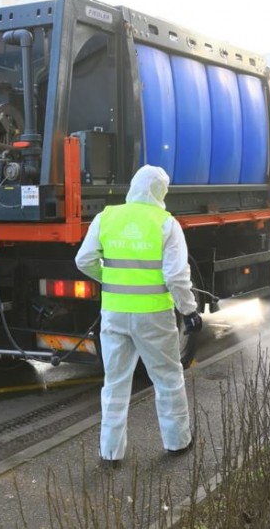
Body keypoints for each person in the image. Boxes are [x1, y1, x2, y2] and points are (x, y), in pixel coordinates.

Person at [75, 164, 203, 468]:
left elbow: (84, 260)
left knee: (115, 383)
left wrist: (110, 279)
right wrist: (189, 310)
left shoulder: (106, 217)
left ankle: (110, 451)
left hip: (115, 315)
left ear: (133, 186)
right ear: (161, 192)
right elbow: (176, 276)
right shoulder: (166, 224)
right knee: (168, 378)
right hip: (153, 317)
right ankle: (177, 442)